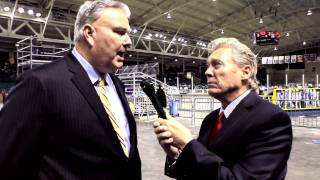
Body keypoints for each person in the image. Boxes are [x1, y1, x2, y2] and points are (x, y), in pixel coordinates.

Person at [0, 1, 141, 179]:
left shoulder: (117, 84)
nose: (129, 41)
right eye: (120, 32)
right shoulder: (39, 83)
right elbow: (8, 165)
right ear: (89, 33)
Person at [154, 37, 292, 180]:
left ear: (245, 72)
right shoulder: (211, 119)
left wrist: (188, 143)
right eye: (208, 66)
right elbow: (199, 171)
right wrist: (177, 155)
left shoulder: (271, 118)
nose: (207, 72)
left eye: (217, 65)